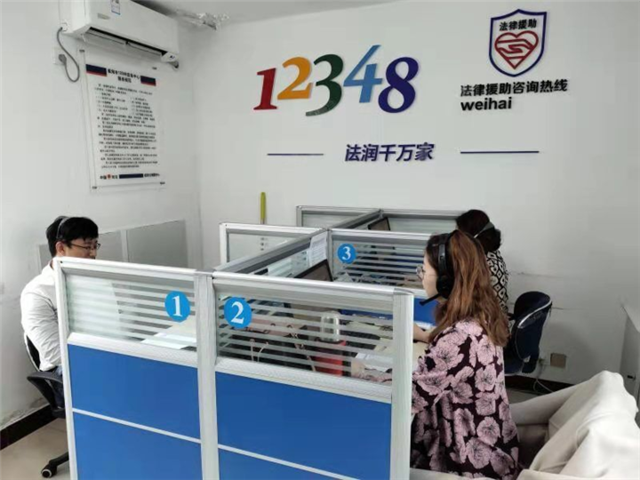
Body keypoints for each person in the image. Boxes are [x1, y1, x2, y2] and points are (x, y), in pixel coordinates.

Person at [411, 231, 519, 478]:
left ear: (446, 282)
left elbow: (408, 397)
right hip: (494, 448)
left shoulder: (460, 338)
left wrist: (361, 375)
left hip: (466, 463)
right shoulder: (482, 316)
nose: (421, 277)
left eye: (423, 270)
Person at [21, 216, 99, 402]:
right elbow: (55, 353)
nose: (93, 253)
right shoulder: (37, 292)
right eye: (87, 247)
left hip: (99, 356)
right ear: (61, 248)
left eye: (95, 245)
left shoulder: (93, 278)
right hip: (66, 370)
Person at [457, 210, 509, 313]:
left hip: (488, 320)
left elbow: (467, 304)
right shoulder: (493, 255)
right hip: (495, 318)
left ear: (471, 237)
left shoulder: (484, 265)